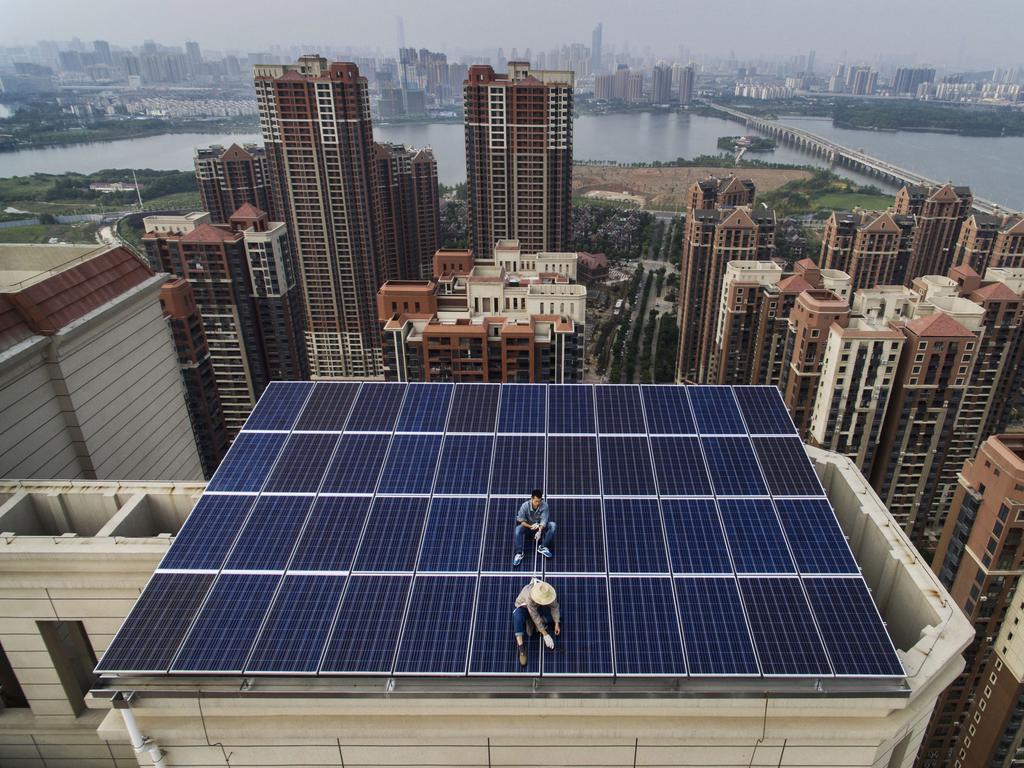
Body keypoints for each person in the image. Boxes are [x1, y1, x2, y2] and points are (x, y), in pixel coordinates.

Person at [513, 579, 560, 667]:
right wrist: (545, 634)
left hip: (538, 608)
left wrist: (556, 623)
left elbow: (555, 607)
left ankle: (536, 624)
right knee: (517, 616)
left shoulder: (547, 591)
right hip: (525, 608)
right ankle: (522, 648)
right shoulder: (529, 596)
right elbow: (534, 615)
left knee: (560, 616)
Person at [512, 488, 556, 566]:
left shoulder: (545, 506)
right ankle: (519, 553)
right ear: (531, 498)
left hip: (540, 528)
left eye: (539, 501)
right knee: (518, 529)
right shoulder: (525, 506)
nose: (538, 503)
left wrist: (539, 530)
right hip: (528, 527)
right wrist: (530, 526)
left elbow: (544, 520)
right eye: (536, 501)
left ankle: (542, 547)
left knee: (552, 525)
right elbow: (521, 521)